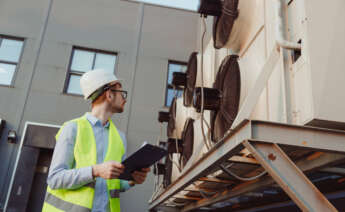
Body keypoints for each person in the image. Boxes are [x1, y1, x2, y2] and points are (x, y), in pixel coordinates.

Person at [42, 69, 150, 212]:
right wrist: (95, 171)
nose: (125, 98)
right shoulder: (72, 128)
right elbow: (55, 179)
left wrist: (132, 180)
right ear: (109, 94)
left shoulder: (120, 137)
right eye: (122, 93)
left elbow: (114, 184)